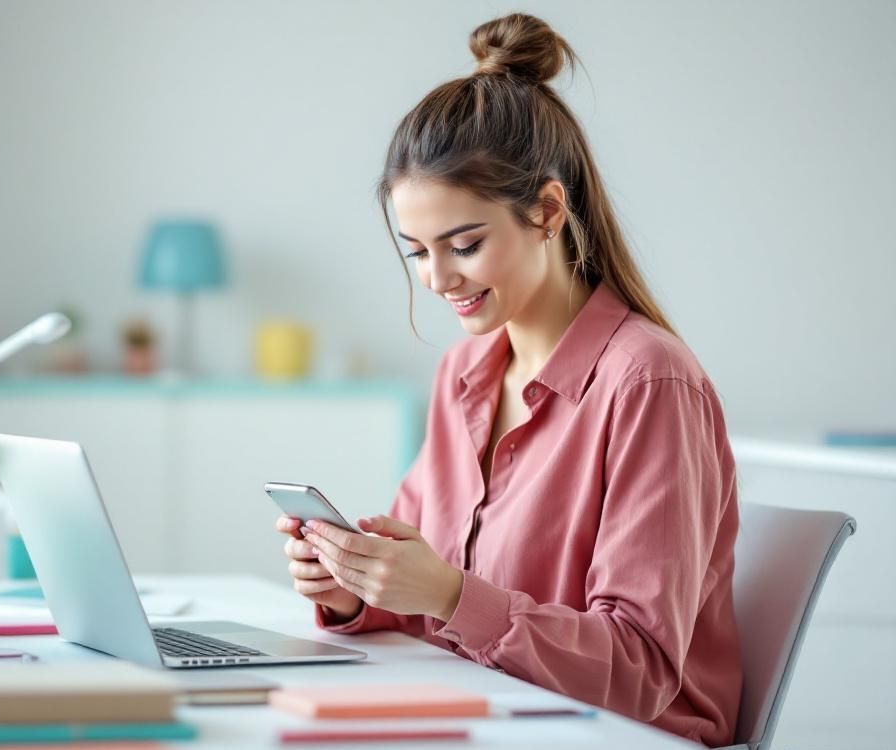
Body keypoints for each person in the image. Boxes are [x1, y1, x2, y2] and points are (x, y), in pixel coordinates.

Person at [276, 12, 742, 748]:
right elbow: (427, 597)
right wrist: (354, 589)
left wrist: (451, 595)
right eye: (417, 253)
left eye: (463, 245)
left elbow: (645, 668)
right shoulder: (464, 371)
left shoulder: (649, 384)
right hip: (488, 714)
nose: (438, 279)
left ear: (548, 211)